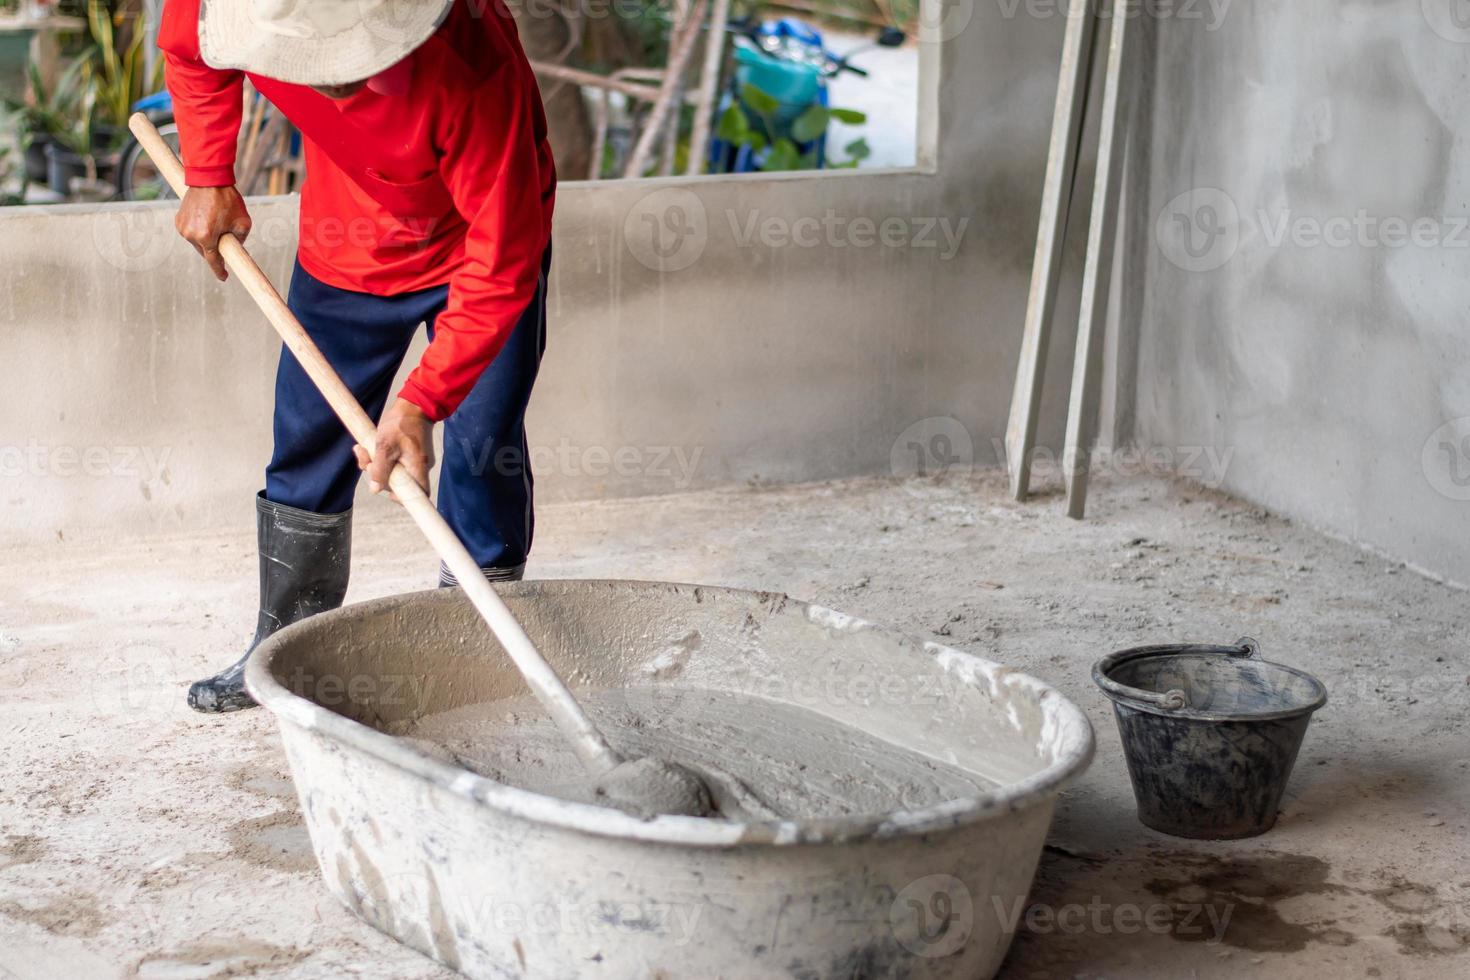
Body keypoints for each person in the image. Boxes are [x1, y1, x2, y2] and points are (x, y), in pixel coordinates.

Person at [158, 0, 557, 712]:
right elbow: (190, 55)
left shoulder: (472, 64)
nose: (334, 82)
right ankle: (285, 648)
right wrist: (208, 172)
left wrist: (421, 403)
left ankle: (478, 651)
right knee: (307, 440)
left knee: (481, 445)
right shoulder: (236, 12)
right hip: (350, 245)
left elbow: (502, 266)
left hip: (479, 250)